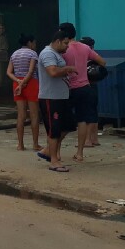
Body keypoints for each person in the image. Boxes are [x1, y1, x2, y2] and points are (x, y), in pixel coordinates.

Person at [57, 23, 106, 162]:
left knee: (62, 121)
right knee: (82, 120)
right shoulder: (85, 48)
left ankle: (57, 152)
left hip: (68, 89)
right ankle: (79, 153)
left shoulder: (63, 49)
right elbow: (102, 62)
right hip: (85, 87)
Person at [37, 30, 78, 172]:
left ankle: (49, 150)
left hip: (61, 97)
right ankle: (53, 161)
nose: (67, 46)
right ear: (58, 41)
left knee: (68, 126)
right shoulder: (48, 53)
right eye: (66, 43)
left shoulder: (57, 54)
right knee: (54, 130)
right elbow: (53, 72)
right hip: (51, 97)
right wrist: (68, 68)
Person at [7, 34, 41, 151]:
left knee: (21, 115)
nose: (35, 45)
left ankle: (20, 145)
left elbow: (9, 72)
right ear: (30, 43)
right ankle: (35, 144)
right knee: (34, 115)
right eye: (34, 43)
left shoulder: (14, 54)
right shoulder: (32, 54)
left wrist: (18, 82)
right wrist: (24, 83)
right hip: (30, 84)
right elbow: (31, 71)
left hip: (17, 84)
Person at [78, 37, 102, 147]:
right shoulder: (94, 56)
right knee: (93, 112)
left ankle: (87, 140)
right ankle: (94, 139)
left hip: (87, 86)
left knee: (87, 113)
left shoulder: (86, 55)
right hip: (93, 85)